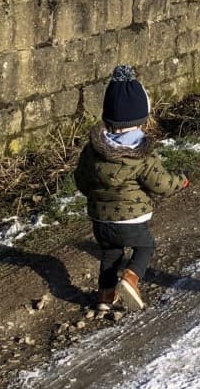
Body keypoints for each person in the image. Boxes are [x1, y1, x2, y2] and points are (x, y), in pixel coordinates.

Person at [74, 64, 189, 312]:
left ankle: (105, 296)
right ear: (141, 118)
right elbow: (161, 184)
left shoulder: (92, 150)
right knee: (145, 247)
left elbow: (81, 180)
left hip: (100, 219)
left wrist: (95, 196)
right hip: (132, 219)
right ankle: (130, 278)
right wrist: (181, 180)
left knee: (110, 255)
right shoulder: (141, 154)